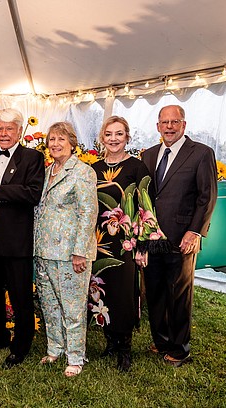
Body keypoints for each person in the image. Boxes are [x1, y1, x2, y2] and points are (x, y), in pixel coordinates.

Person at [140, 105, 217, 367]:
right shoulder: (148, 155)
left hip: (182, 236)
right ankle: (161, 341)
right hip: (153, 238)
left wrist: (194, 231)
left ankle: (179, 348)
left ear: (184, 125)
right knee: (155, 292)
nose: (169, 127)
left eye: (175, 122)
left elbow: (207, 197)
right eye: (165, 122)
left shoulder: (202, 153)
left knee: (179, 294)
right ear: (158, 126)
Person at [0, 108, 45, 369]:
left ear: (20, 131)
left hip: (15, 240)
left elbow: (33, 194)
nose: (3, 134)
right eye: (0, 128)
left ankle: (21, 346)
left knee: (20, 295)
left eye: (9, 129)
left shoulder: (32, 157)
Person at [34, 121, 97, 377]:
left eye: (61, 139)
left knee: (72, 308)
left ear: (72, 143)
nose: (55, 144)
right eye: (51, 139)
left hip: (70, 254)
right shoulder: (48, 171)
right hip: (43, 250)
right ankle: (55, 348)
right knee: (49, 305)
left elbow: (88, 212)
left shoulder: (82, 172)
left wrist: (80, 250)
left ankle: (75, 356)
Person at [91, 116, 150, 372]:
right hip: (99, 242)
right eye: (108, 134)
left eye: (119, 134)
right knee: (101, 291)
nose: (113, 139)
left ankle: (125, 349)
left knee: (125, 294)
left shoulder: (137, 168)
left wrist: (142, 247)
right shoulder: (92, 169)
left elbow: (145, 208)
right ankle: (110, 342)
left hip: (126, 243)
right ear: (102, 138)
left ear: (128, 137)